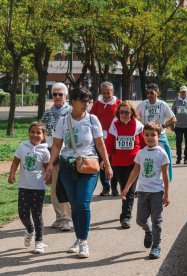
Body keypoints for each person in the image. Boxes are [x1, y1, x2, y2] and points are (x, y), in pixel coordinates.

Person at [45, 87, 113, 258]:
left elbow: (99, 144)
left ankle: (83, 241)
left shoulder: (92, 119)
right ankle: (78, 239)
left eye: (88, 100)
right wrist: (51, 164)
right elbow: (57, 145)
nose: (86, 104)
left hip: (88, 166)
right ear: (73, 101)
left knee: (83, 203)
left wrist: (107, 163)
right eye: (82, 100)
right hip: (68, 168)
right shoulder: (62, 121)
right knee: (74, 205)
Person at [121, 122, 170, 260]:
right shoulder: (141, 153)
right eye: (147, 135)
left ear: (158, 136)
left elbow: (165, 176)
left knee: (157, 220)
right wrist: (126, 187)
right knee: (140, 219)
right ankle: (148, 231)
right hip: (142, 192)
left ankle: (156, 246)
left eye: (153, 135)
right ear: (143, 136)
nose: (149, 138)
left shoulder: (162, 153)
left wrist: (167, 194)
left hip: (156, 192)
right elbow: (135, 170)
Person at [8, 122, 50, 254]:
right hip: (24, 187)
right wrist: (12, 174)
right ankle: (30, 230)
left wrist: (50, 179)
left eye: (39, 132)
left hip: (38, 187)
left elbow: (47, 168)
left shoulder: (44, 150)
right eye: (32, 131)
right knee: (23, 214)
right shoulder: (22, 146)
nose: (35, 134)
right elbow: (15, 162)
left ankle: (39, 242)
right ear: (28, 133)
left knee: (37, 214)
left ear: (43, 136)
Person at [105, 101, 146, 229]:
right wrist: (105, 160)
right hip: (118, 163)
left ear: (131, 113)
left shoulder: (138, 126)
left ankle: (126, 217)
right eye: (121, 112)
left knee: (129, 191)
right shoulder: (114, 126)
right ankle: (125, 212)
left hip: (134, 163)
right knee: (124, 187)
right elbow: (109, 145)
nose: (124, 115)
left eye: (127, 112)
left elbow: (144, 144)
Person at [41, 82, 72, 231]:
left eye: (61, 94)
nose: (58, 97)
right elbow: (43, 132)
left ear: (66, 96)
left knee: (65, 185)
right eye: (55, 94)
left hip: (67, 153)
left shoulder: (71, 111)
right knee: (53, 186)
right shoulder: (47, 112)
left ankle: (67, 218)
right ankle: (59, 217)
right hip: (50, 151)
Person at [136, 83, 176, 181]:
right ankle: (145, 179)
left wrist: (162, 126)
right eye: (148, 93)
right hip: (145, 136)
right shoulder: (143, 104)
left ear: (157, 92)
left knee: (166, 156)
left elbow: (173, 119)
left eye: (152, 93)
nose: (149, 95)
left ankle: (166, 179)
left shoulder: (162, 104)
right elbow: (135, 116)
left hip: (160, 136)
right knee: (144, 158)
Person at [90, 81, 120, 196]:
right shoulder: (97, 103)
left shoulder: (118, 103)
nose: (106, 95)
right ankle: (105, 186)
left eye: (109, 93)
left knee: (114, 163)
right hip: (100, 139)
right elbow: (91, 118)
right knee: (102, 164)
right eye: (104, 93)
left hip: (114, 138)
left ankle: (114, 186)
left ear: (113, 91)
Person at [171, 86, 187, 164]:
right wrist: (172, 126)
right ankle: (179, 157)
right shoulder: (176, 101)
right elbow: (172, 114)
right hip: (178, 126)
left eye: (184, 92)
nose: (183, 93)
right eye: (182, 92)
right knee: (178, 142)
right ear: (180, 92)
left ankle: (186, 157)